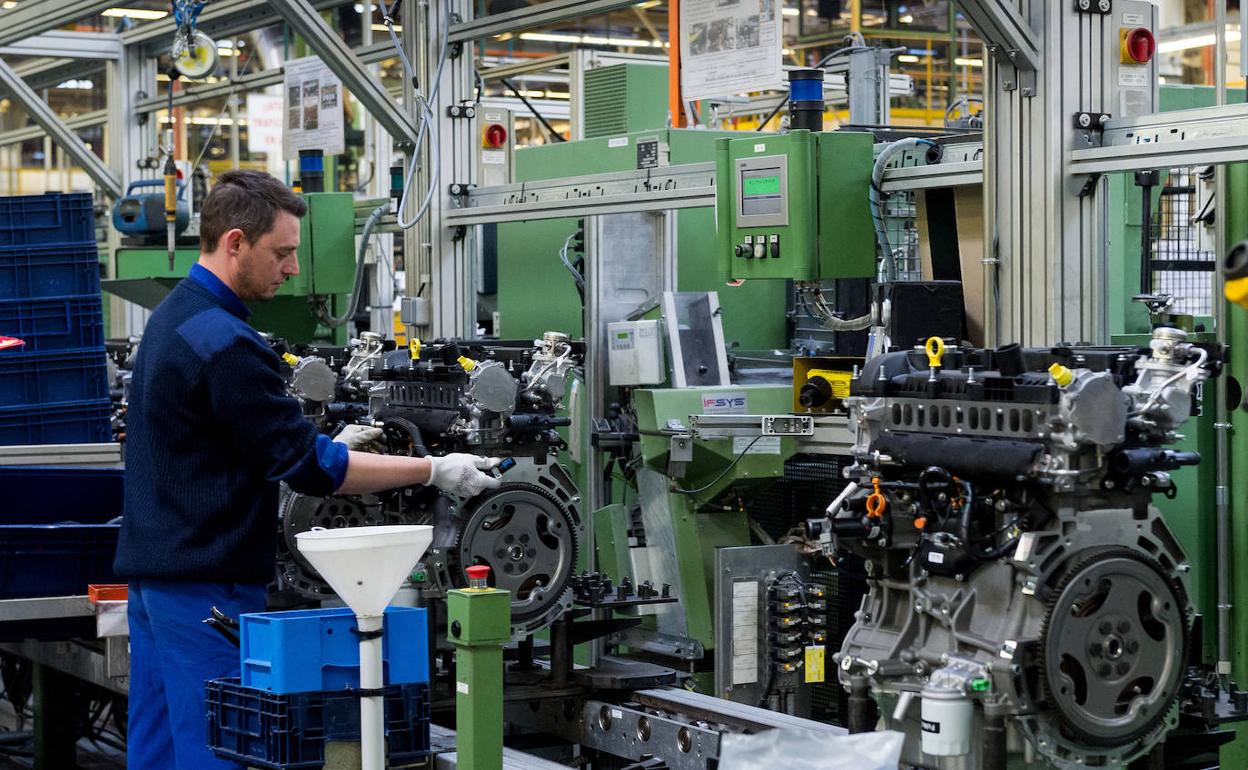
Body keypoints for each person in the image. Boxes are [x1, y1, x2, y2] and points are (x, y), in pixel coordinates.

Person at [114, 169, 499, 770]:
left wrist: (314, 441)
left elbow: (231, 444)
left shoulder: (174, 319)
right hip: (205, 587)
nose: (292, 267)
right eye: (283, 252)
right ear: (235, 242)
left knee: (162, 748)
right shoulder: (227, 343)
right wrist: (432, 469)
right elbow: (315, 471)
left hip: (160, 579)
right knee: (218, 751)